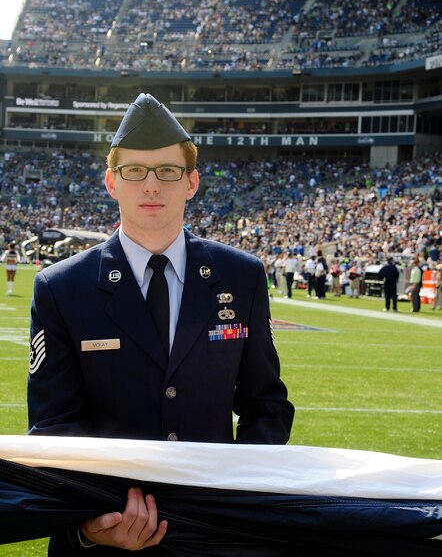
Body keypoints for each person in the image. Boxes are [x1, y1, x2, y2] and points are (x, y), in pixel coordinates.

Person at [27, 93, 295, 556]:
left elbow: (266, 405)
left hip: (216, 532)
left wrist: (234, 488)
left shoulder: (242, 276)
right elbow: (53, 429)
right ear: (112, 182)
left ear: (191, 183)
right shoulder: (61, 287)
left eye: (168, 172)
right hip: (106, 535)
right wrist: (92, 523)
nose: (152, 186)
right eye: (135, 171)